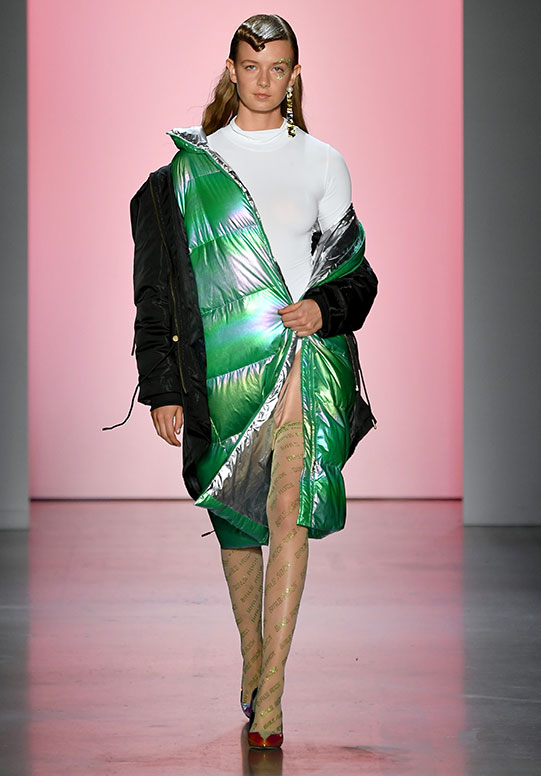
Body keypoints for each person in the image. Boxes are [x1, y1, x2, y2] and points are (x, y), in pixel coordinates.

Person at [128, 14, 377, 749]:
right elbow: (157, 293)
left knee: (288, 513)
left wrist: (324, 306)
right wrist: (162, 386)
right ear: (232, 69)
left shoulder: (323, 162)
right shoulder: (184, 173)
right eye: (251, 65)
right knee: (237, 525)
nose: (264, 79)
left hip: (304, 362)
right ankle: (253, 657)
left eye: (278, 67)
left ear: (294, 74)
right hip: (217, 373)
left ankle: (271, 696)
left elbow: (356, 274)